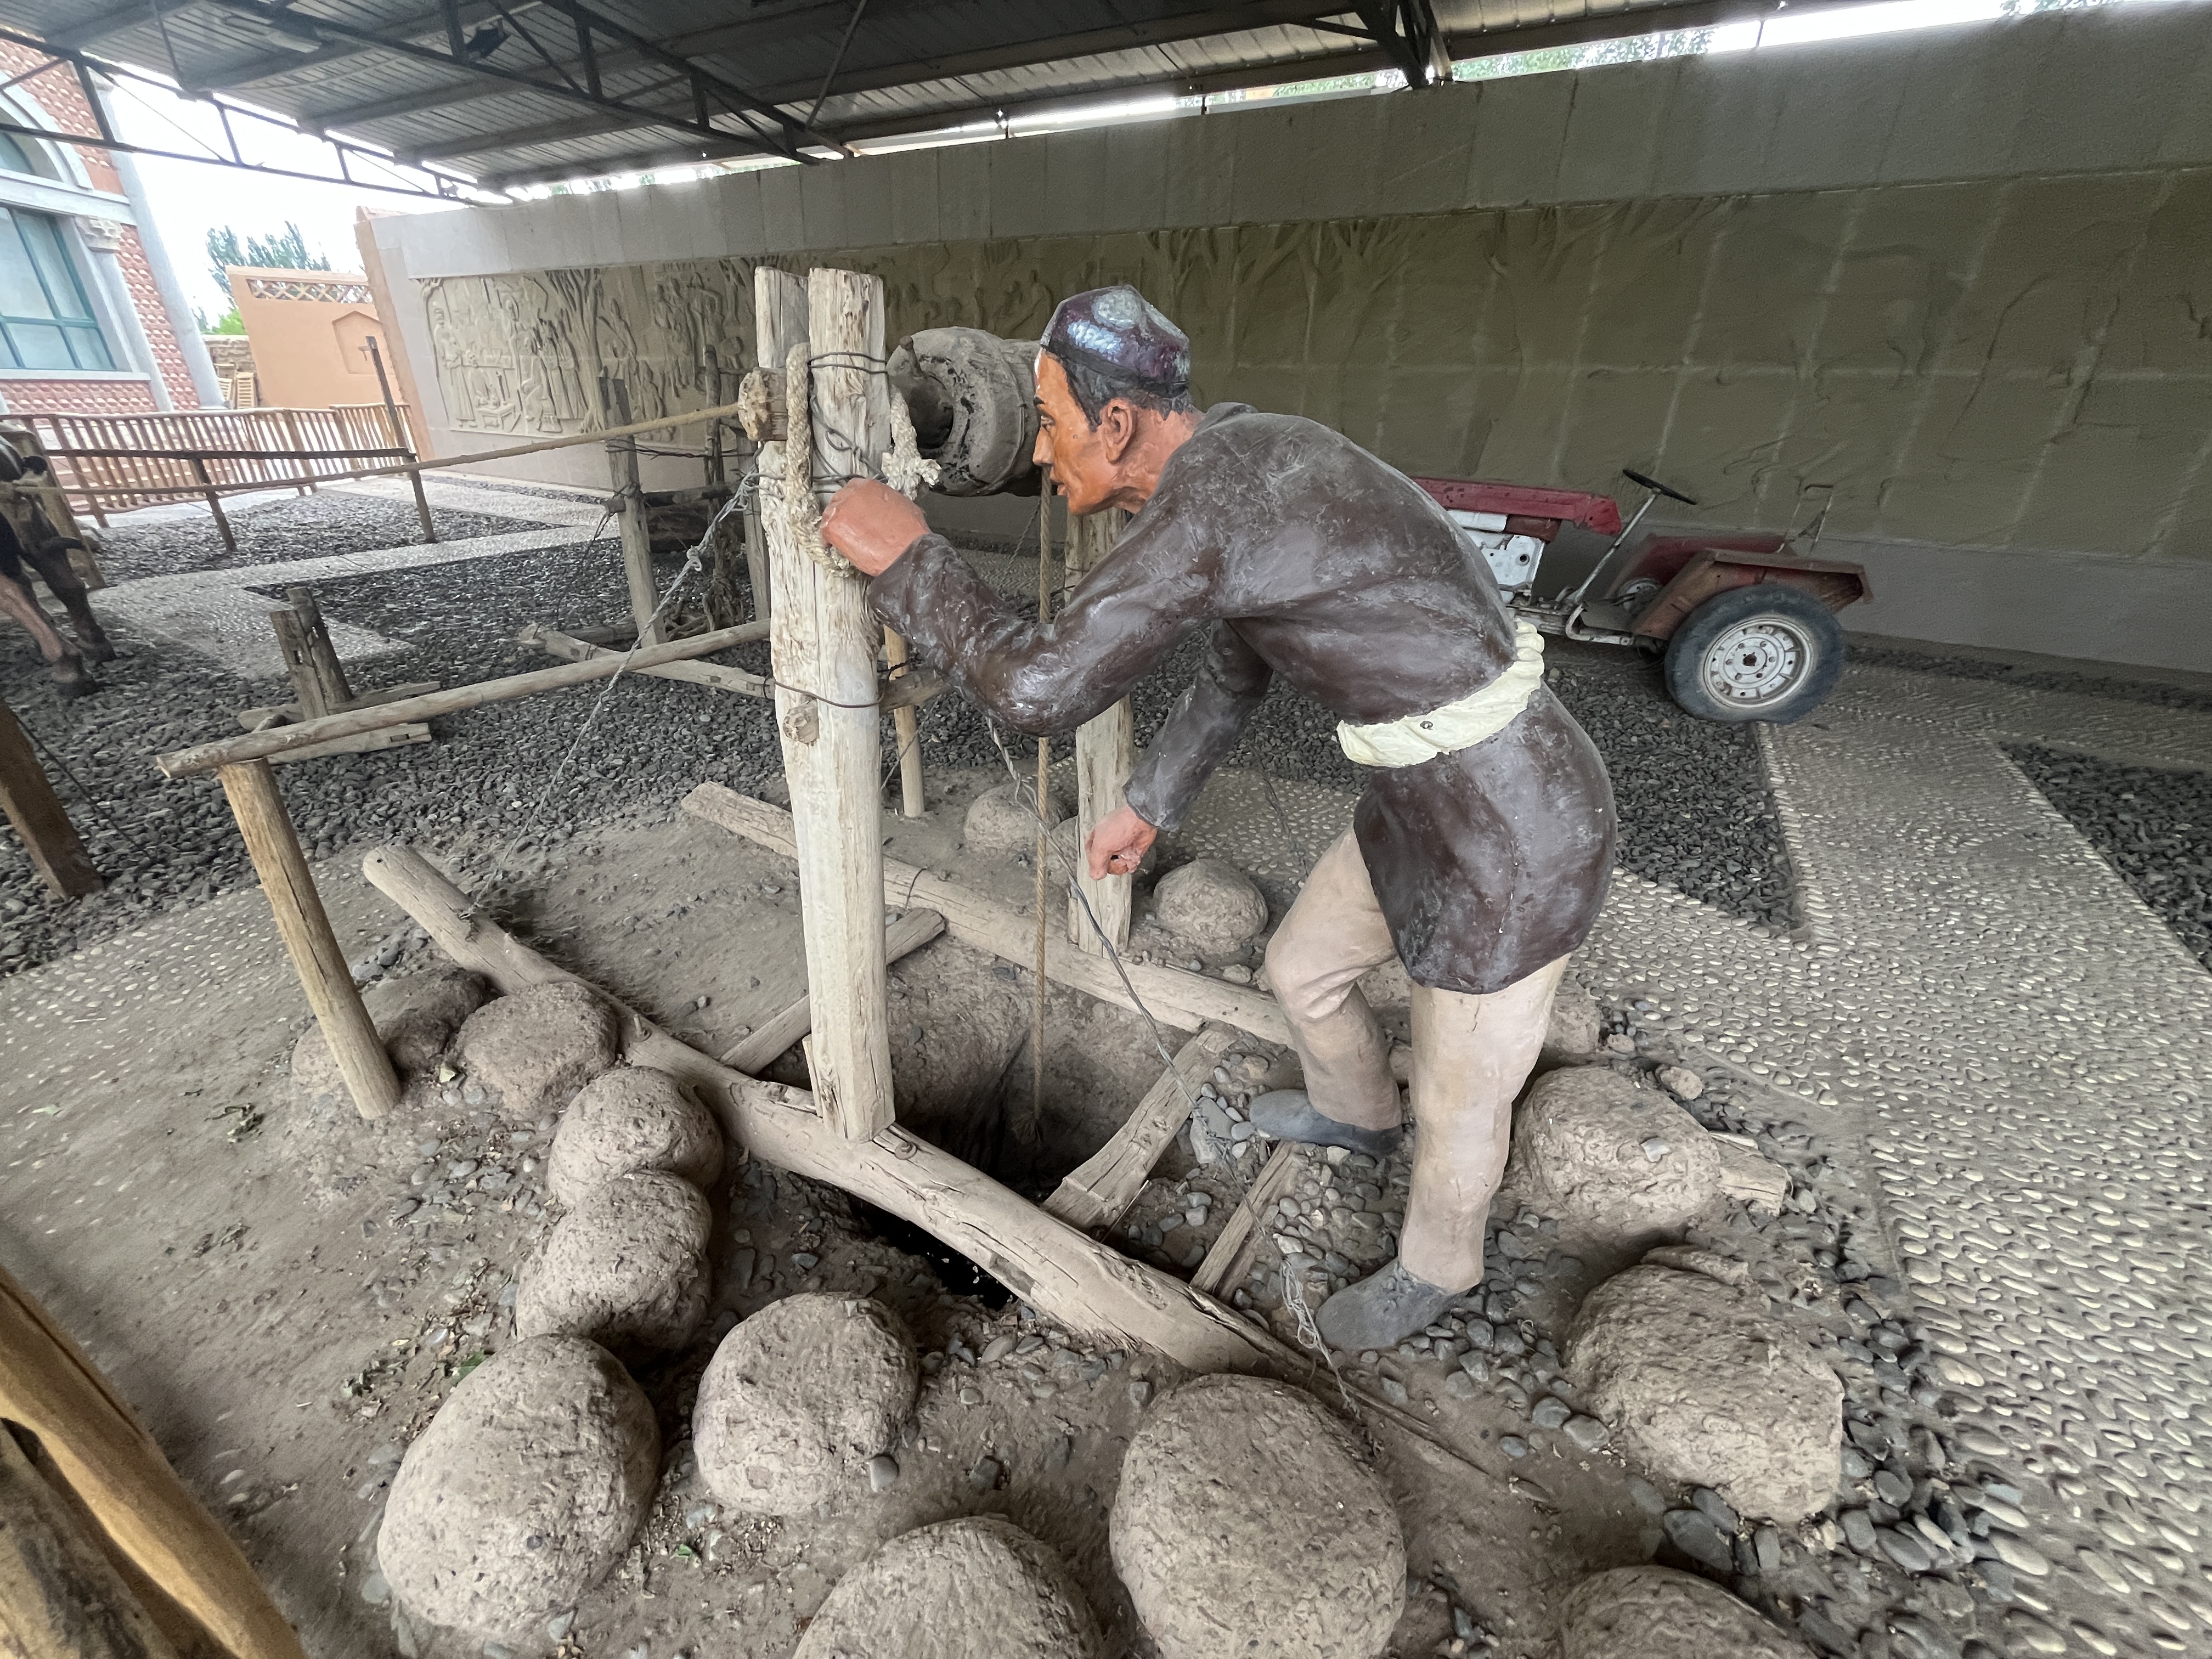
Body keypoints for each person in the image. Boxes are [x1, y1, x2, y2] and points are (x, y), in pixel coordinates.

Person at [820, 285, 1615, 1350]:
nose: (1043, 461)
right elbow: (1238, 671)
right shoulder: (1249, 458)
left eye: (1050, 427)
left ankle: (1440, 1267)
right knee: (1301, 971)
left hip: (1516, 822)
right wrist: (1151, 805)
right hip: (1416, 793)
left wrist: (910, 560)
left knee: (1465, 1093)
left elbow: (1045, 690)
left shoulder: (1217, 503)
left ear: (1117, 423)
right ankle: (1357, 1114)